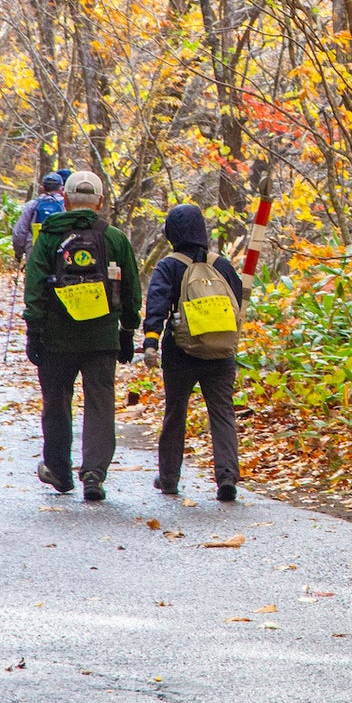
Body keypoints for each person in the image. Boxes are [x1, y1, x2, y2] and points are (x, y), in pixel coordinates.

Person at [23, 170, 142, 502]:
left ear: (65, 199)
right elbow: (132, 290)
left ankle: (59, 471)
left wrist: (34, 330)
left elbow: (34, 286)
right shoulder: (115, 238)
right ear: (100, 203)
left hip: (56, 338)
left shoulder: (49, 237)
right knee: (100, 403)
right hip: (102, 337)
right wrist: (128, 330)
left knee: (57, 403)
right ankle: (93, 474)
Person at [142, 204, 245, 502]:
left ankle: (170, 478)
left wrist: (151, 340)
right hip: (221, 353)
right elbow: (236, 300)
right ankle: (227, 477)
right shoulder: (222, 265)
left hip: (181, 353)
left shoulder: (168, 266)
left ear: (170, 232)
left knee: (175, 412)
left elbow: (157, 304)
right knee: (222, 414)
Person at [11, 171, 66, 263]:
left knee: (34, 276)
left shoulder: (32, 205)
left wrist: (19, 252)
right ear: (61, 189)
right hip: (59, 252)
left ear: (42, 188)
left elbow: (19, 232)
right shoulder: (66, 206)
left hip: (35, 251)